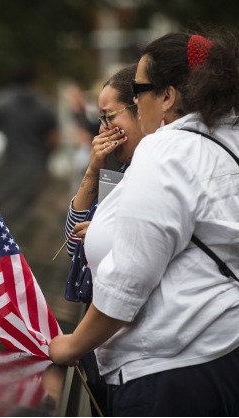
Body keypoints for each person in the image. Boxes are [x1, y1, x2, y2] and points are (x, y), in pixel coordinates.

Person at [49, 29, 239, 416]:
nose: (135, 100)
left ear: (167, 95)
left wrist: (71, 345)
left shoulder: (165, 149)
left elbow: (130, 278)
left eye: (139, 90)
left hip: (186, 365)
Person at [63, 63, 143, 416]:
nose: (104, 130)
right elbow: (71, 246)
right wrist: (94, 169)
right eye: (100, 120)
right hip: (103, 342)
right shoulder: (116, 167)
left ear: (141, 109)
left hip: (133, 350)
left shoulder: (154, 169)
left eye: (110, 118)